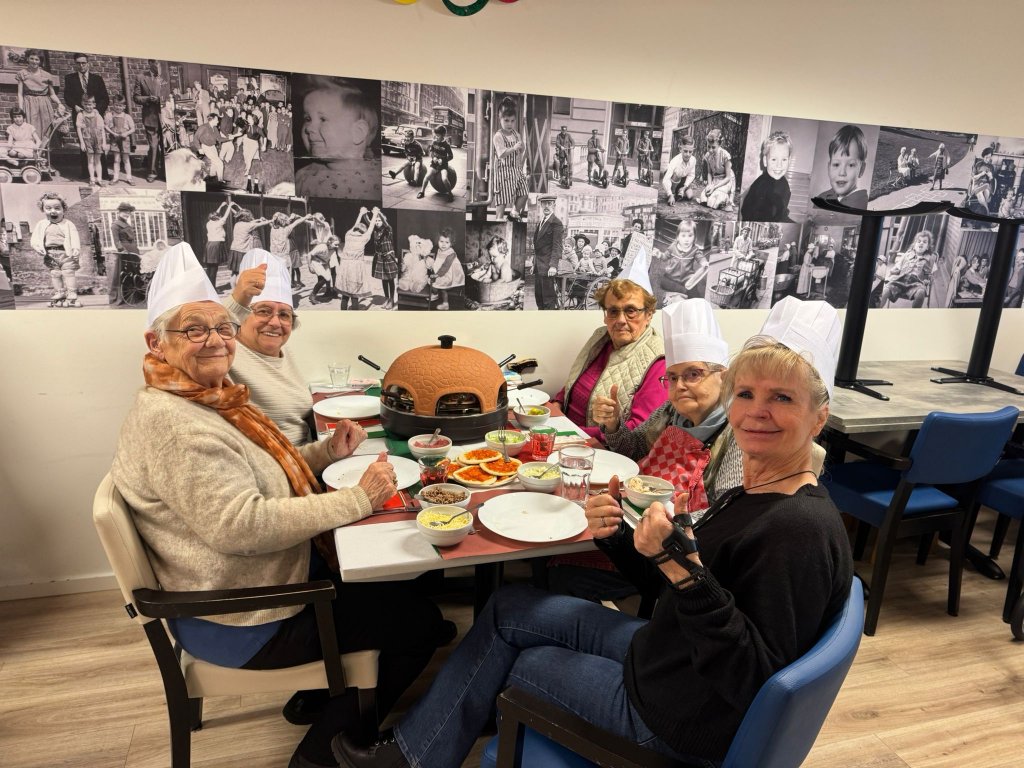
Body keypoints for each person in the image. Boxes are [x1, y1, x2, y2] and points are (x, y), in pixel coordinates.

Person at [331, 297, 853, 768]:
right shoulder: (757, 494)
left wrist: (686, 575)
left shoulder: (797, 530)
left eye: (782, 397)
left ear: (819, 416)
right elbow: (670, 590)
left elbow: (754, 682)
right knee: (509, 606)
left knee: (521, 660)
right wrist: (620, 538)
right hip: (665, 656)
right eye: (746, 393)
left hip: (671, 716)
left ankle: (415, 756)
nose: (756, 411)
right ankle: (424, 744)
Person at [111, 243, 454, 768]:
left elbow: (260, 469)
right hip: (242, 615)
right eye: (194, 330)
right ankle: (323, 754)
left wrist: (324, 453)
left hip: (247, 579)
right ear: (156, 343)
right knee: (420, 623)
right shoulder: (177, 425)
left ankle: (317, 698)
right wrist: (358, 499)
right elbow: (240, 525)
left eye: (221, 327)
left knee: (393, 583)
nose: (215, 340)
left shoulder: (202, 396)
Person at [547, 298, 736, 599]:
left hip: (672, 553)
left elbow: (725, 517)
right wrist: (613, 425)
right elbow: (633, 447)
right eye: (672, 377)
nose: (679, 385)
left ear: (723, 376)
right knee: (553, 541)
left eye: (693, 374)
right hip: (631, 521)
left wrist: (662, 520)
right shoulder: (670, 412)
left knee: (560, 573)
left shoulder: (736, 434)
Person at [554, 279, 666, 442]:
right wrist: (556, 404)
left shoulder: (658, 361)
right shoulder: (601, 338)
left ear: (648, 315)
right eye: (613, 311)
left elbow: (641, 431)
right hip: (564, 430)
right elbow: (575, 380)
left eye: (631, 311)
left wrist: (571, 433)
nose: (620, 320)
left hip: (600, 446)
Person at [224, 250, 313, 444]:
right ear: (241, 316)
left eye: (284, 315)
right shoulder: (225, 353)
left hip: (304, 454)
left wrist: (329, 449)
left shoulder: (281, 350)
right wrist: (237, 298)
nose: (275, 323)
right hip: (272, 462)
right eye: (264, 311)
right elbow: (207, 336)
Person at [295, 77, 381, 200]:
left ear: (358, 133)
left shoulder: (377, 180)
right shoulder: (303, 177)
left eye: (323, 119)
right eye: (308, 119)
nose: (308, 128)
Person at [64, 53, 110, 181]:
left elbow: (105, 98)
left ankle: (103, 174)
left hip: (95, 116)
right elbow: (67, 96)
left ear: (88, 63)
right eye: (78, 63)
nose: (81, 65)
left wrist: (97, 110)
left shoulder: (97, 79)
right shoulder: (70, 78)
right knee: (84, 142)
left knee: (98, 142)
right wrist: (75, 106)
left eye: (83, 63)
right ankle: (86, 173)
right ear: (75, 64)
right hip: (80, 115)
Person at [31, 191, 82, 308]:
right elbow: (35, 239)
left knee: (68, 272)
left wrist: (75, 248)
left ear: (64, 209)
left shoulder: (68, 224)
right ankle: (59, 292)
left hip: (66, 253)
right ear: (43, 210)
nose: (53, 211)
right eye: (48, 208)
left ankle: (71, 292)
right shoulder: (41, 224)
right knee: (55, 273)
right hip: (50, 254)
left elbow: (74, 236)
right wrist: (37, 247)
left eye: (57, 208)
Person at [15, 50, 65, 146]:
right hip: (29, 103)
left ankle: (45, 152)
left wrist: (59, 103)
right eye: (32, 58)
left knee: (46, 128)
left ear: (40, 61)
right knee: (32, 128)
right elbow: (20, 94)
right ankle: (33, 152)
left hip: (44, 104)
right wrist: (21, 109)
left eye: (37, 59)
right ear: (27, 59)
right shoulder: (22, 74)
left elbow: (52, 94)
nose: (34, 61)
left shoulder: (46, 75)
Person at [741, 131, 793, 222]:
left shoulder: (784, 183)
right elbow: (752, 215)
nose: (779, 165)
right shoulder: (762, 186)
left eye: (784, 160)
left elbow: (781, 211)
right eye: (774, 159)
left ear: (789, 161)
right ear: (765, 161)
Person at [492, 96, 529, 221]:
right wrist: (514, 148)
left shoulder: (516, 134)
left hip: (517, 170)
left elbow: (520, 151)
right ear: (500, 119)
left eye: (512, 121)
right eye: (506, 120)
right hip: (503, 171)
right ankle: (499, 219)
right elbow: (501, 154)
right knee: (502, 198)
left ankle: (513, 214)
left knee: (524, 193)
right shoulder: (498, 136)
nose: (509, 124)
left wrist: (522, 148)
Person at [657, 220, 709, 306]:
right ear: (678, 237)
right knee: (663, 282)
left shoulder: (694, 249)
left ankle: (695, 300)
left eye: (690, 236)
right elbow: (665, 257)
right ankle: (682, 292)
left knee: (694, 291)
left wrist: (704, 262)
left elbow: (700, 257)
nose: (686, 239)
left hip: (687, 278)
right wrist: (659, 254)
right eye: (683, 236)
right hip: (671, 276)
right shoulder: (673, 247)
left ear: (694, 237)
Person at [880, 230, 937, 308]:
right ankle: (876, 310)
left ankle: (913, 314)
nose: (921, 243)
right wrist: (893, 271)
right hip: (900, 281)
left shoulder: (930, 259)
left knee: (920, 293)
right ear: (914, 245)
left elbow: (933, 275)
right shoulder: (906, 255)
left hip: (917, 283)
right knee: (885, 290)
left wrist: (929, 279)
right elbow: (896, 268)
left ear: (927, 247)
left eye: (924, 242)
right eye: (919, 241)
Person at [816, 124, 869, 208]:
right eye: (836, 164)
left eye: (851, 165)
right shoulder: (821, 199)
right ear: (829, 167)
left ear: (861, 169)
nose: (842, 173)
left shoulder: (862, 203)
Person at [336, 207, 379, 310]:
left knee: (345, 294)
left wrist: (361, 213)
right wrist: (375, 214)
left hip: (345, 266)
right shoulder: (364, 238)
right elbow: (371, 227)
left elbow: (354, 226)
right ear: (363, 231)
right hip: (356, 267)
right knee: (355, 294)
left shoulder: (348, 235)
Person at [132, 59, 168, 182]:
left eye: (160, 63)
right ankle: (152, 172)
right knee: (153, 146)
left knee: (166, 145)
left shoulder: (166, 77)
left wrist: (160, 99)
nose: (159, 66)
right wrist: (147, 98)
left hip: (166, 116)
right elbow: (136, 97)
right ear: (150, 63)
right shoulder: (141, 77)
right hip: (150, 116)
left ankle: (166, 172)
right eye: (156, 63)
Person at [532, 194, 563, 309]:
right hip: (538, 267)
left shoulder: (556, 223)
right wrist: (534, 263)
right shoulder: (541, 222)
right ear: (541, 205)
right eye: (544, 203)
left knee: (548, 299)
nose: (546, 206)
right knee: (539, 298)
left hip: (548, 268)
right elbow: (537, 247)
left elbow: (557, 246)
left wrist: (553, 266)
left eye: (549, 203)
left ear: (554, 205)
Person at [228, 209, 272, 287]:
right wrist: (271, 220)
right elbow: (262, 224)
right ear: (247, 217)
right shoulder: (249, 226)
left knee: (234, 273)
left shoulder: (237, 224)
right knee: (243, 272)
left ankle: (233, 290)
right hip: (242, 251)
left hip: (234, 250)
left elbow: (253, 222)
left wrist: (258, 219)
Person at [270, 212, 313, 290]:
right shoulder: (286, 230)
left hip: (275, 257)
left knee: (279, 278)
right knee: (287, 277)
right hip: (284, 257)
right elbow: (296, 222)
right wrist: (305, 217)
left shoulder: (272, 229)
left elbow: (275, 221)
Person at [425, 227, 464, 310]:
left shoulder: (451, 254)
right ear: (437, 241)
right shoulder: (440, 250)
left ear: (451, 243)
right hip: (440, 271)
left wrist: (437, 275)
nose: (443, 244)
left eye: (447, 242)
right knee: (432, 283)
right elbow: (439, 262)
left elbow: (445, 267)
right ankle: (435, 294)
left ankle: (445, 304)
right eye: (441, 241)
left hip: (448, 274)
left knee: (443, 289)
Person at [698, 128, 735, 211]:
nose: (710, 150)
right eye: (708, 147)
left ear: (719, 145)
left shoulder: (725, 155)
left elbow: (728, 177)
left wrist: (714, 187)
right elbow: (709, 173)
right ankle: (717, 197)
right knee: (704, 197)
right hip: (715, 179)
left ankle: (726, 200)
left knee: (714, 199)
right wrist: (710, 185)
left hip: (725, 180)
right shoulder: (708, 155)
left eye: (713, 147)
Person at [75, 96, 107, 187]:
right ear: (82, 104)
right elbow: (79, 129)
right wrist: (82, 143)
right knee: (90, 160)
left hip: (98, 139)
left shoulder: (97, 115)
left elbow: (102, 129)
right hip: (87, 139)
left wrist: (104, 142)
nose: (88, 106)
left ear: (94, 105)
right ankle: (92, 179)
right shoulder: (81, 115)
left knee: (98, 160)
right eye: (86, 104)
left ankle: (99, 179)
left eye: (90, 104)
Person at [104, 94, 136, 185]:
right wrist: (113, 133)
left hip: (125, 140)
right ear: (113, 105)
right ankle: (115, 177)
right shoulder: (109, 115)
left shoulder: (127, 116)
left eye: (120, 105)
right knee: (116, 159)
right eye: (116, 105)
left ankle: (129, 178)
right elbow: (105, 126)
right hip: (115, 140)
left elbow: (133, 128)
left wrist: (126, 133)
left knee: (126, 159)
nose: (118, 107)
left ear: (124, 106)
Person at [203, 201, 236, 287]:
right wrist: (229, 206)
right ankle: (213, 288)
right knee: (214, 268)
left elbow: (215, 215)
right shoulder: (219, 223)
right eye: (219, 216)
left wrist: (221, 206)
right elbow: (225, 216)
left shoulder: (209, 223)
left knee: (210, 268)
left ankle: (209, 287)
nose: (220, 216)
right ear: (217, 217)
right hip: (216, 245)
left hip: (209, 245)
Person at [370, 213, 399, 309]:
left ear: (383, 221)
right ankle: (386, 299)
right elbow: (369, 222)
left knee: (390, 279)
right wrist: (366, 215)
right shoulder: (375, 231)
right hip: (380, 257)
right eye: (376, 221)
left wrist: (379, 213)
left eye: (379, 220)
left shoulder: (388, 230)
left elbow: (386, 223)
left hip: (388, 257)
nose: (377, 222)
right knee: (384, 279)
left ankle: (391, 300)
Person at [419, 125, 454, 200]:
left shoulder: (446, 145)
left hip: (443, 166)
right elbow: (431, 152)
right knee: (427, 176)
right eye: (435, 135)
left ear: (443, 135)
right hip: (434, 165)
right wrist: (433, 157)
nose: (436, 137)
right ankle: (422, 192)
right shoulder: (434, 142)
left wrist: (443, 160)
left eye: (438, 136)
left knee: (444, 179)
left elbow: (451, 156)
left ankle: (450, 194)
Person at [662, 137, 697, 205]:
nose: (688, 154)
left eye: (690, 152)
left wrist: (684, 187)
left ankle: (680, 191)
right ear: (681, 149)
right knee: (676, 176)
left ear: (693, 150)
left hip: (683, 180)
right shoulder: (675, 161)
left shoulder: (693, 160)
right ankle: (673, 193)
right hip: (673, 179)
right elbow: (665, 179)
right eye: (685, 151)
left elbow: (691, 175)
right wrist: (670, 194)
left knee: (690, 196)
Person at [191, 112, 225, 181]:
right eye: (217, 120)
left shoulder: (215, 128)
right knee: (220, 163)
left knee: (214, 162)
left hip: (213, 147)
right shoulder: (203, 127)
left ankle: (212, 175)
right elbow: (195, 138)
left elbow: (219, 139)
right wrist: (199, 148)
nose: (218, 121)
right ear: (212, 120)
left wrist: (229, 138)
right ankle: (220, 181)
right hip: (206, 147)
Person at [968, 148, 996, 214]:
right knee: (980, 194)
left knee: (986, 192)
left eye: (989, 157)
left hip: (986, 184)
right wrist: (981, 174)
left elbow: (991, 180)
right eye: (986, 157)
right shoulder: (978, 164)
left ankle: (982, 211)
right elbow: (973, 177)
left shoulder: (991, 166)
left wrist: (990, 176)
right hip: (977, 183)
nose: (987, 159)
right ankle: (987, 211)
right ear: (983, 156)